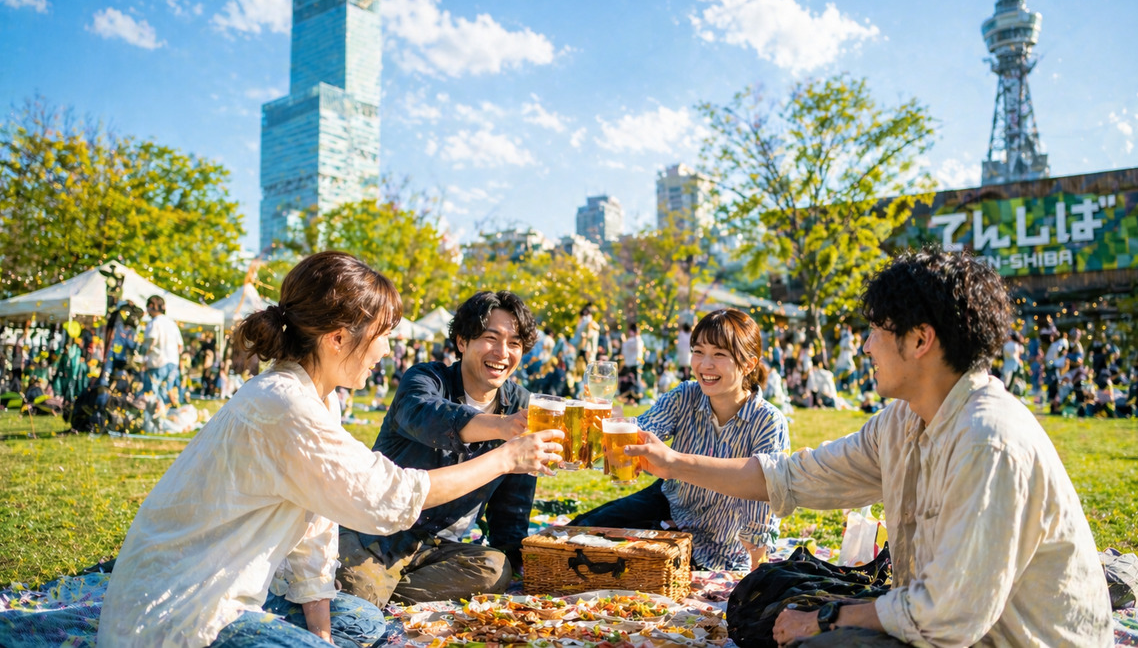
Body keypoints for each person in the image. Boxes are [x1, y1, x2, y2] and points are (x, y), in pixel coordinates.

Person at [627, 249, 1112, 647]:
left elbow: (948, 617)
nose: (865, 346)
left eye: (876, 330)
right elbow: (790, 477)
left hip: (992, 639)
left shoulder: (987, 442)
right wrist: (668, 462)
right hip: (944, 626)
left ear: (920, 339)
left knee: (816, 645)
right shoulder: (901, 422)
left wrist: (827, 617)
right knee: (762, 608)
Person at [97, 252, 561, 648]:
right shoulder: (284, 403)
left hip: (228, 591)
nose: (385, 351)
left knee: (360, 623)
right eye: (381, 335)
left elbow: (313, 529)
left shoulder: (319, 397)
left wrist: (319, 628)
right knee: (360, 611)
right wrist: (506, 452)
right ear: (338, 337)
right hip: (182, 614)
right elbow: (387, 495)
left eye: (514, 342)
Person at [337, 290, 543, 608]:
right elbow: (428, 417)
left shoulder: (519, 403)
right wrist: (501, 428)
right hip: (376, 532)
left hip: (438, 550)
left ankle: (380, 588)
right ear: (462, 342)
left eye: (514, 343)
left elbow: (512, 503)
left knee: (495, 570)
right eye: (492, 338)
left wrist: (519, 562)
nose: (503, 353)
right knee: (356, 612)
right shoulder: (425, 380)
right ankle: (366, 585)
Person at [570, 308, 790, 572]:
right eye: (698, 351)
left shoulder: (767, 421)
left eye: (719, 354)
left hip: (720, 539)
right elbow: (644, 430)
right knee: (580, 532)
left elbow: (762, 500)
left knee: (639, 564)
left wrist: (757, 567)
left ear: (749, 364)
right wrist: (608, 425)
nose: (705, 365)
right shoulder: (686, 395)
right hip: (671, 503)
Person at [141, 295, 184, 408]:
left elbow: (152, 343)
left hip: (157, 362)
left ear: (151, 306)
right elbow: (180, 346)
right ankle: (164, 420)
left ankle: (152, 422)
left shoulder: (154, 323)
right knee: (165, 395)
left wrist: (144, 359)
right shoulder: (172, 323)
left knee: (152, 397)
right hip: (173, 363)